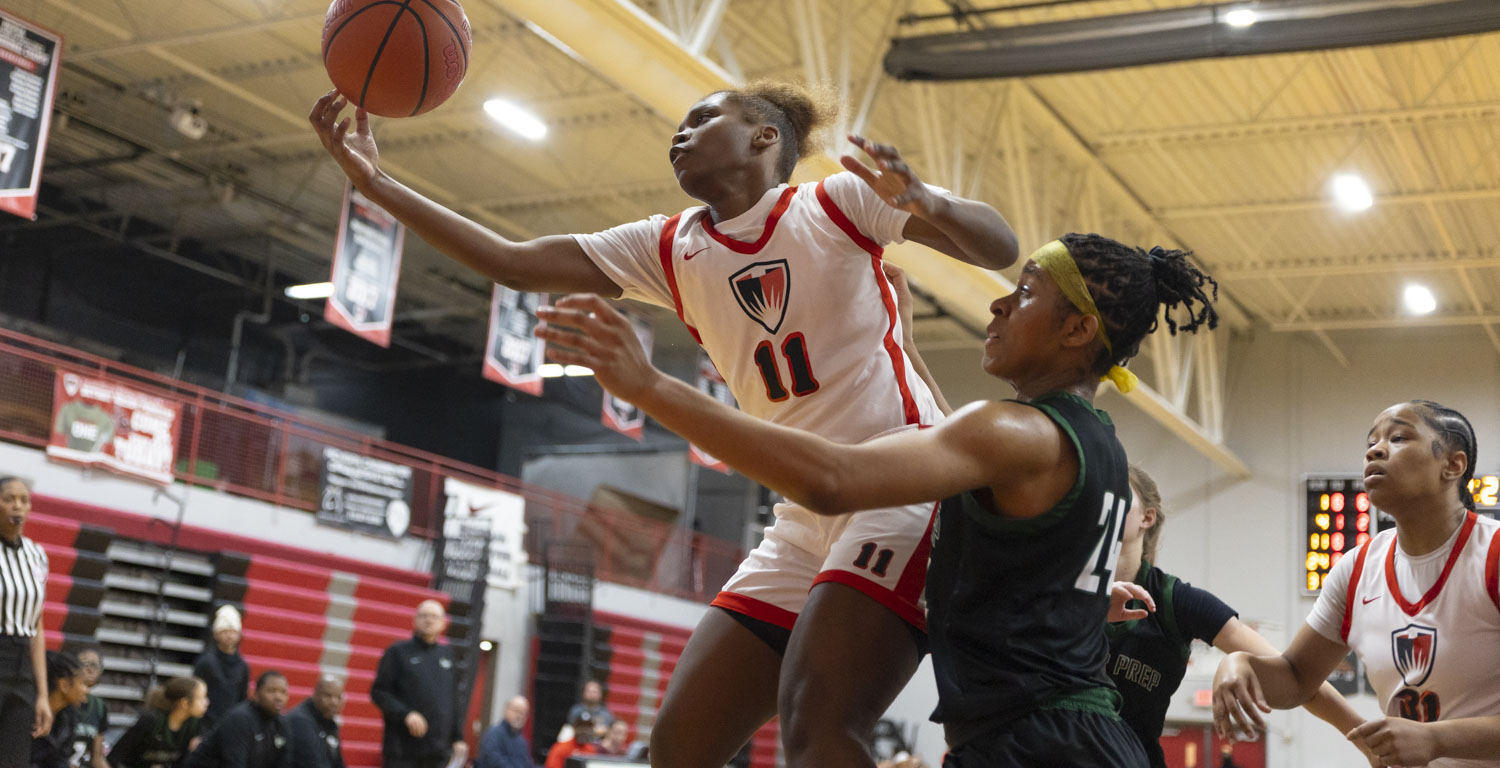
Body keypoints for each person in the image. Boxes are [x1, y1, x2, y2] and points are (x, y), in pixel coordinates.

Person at [311, 80, 1017, 768]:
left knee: (820, 724)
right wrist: (375, 183)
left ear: (764, 137)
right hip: (803, 515)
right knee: (679, 745)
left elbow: (998, 247)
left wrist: (929, 203)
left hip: (901, 486)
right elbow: (514, 263)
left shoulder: (837, 202)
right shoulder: (669, 245)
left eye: (702, 118)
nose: (679, 134)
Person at [536, 232, 1220, 767]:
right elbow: (986, 474)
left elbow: (831, 479)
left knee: (816, 725)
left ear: (1077, 332)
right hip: (1064, 735)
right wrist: (908, 348)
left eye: (1026, 292)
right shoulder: (1095, 443)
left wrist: (650, 386)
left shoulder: (1016, 432)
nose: (1000, 304)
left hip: (1042, 744)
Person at [1214, 399, 1500, 767]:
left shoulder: (1492, 554)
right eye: (1371, 443)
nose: (1376, 450)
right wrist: (1241, 665)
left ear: (1453, 465)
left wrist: (1435, 739)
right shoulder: (1357, 568)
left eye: (1398, 437)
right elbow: (1298, 677)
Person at [1109, 465, 1371, 768]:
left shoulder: (1175, 601)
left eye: (1119, 488)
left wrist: (1366, 738)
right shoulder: (1061, 590)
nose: (1106, 496)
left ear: (1147, 516)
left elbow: (1296, 675)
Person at [370, 600, 467, 768]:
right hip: (403, 750)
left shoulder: (448, 655)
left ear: (443, 623)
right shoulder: (397, 652)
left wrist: (458, 738)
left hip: (438, 751)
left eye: (435, 617)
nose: (429, 620)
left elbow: (453, 700)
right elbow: (379, 692)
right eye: (424, 616)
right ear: (414, 620)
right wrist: (406, 714)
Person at [0, 474, 51, 766]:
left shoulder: (36, 555)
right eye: (9, 499)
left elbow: (37, 625)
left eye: (24, 500)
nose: (17, 506)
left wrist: (42, 694)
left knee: (14, 760)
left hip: (22, 669)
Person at [182, 670, 289, 768]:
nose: (278, 697)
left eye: (283, 692)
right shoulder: (240, 719)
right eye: (272, 691)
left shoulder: (281, 724)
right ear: (256, 694)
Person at [107, 676, 207, 768]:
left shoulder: (193, 727)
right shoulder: (151, 721)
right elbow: (114, 758)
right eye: (202, 698)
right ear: (184, 703)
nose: (207, 702)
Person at [191, 608, 247, 731]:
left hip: (231, 726)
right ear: (216, 634)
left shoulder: (243, 666)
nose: (229, 635)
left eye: (233, 631)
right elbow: (194, 697)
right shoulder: (205, 662)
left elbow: (242, 699)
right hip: (206, 726)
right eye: (224, 631)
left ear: (239, 634)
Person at [31, 651, 88, 768]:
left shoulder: (70, 717)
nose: (86, 690)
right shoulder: (24, 711)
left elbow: (61, 761)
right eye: (82, 683)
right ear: (64, 685)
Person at [284, 675, 344, 768]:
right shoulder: (300, 721)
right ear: (315, 695)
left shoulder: (329, 722)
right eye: (328, 696)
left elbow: (338, 763)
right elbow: (310, 763)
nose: (334, 702)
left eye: (338, 697)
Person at [68, 648, 108, 768]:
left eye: (95, 665)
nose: (90, 670)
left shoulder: (99, 706)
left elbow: (97, 758)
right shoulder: (65, 701)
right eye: (84, 664)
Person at [476, 696, 531, 768]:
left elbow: (527, 764)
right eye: (516, 711)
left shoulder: (522, 742)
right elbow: (493, 761)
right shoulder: (493, 734)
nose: (519, 716)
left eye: (523, 713)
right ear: (506, 710)